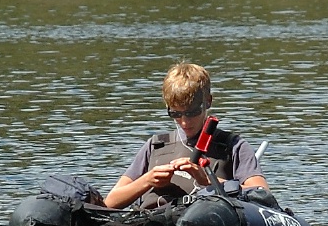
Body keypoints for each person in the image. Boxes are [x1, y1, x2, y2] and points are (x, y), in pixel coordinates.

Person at [104, 62, 269, 210]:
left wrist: (208, 180)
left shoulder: (233, 146)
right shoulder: (155, 146)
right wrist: (147, 180)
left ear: (208, 102)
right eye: (175, 113)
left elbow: (263, 196)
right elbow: (110, 202)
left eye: (192, 112)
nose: (184, 122)